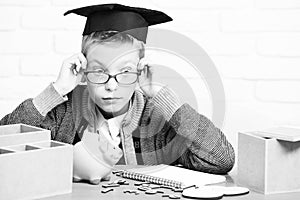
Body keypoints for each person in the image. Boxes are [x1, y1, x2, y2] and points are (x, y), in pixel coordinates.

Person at [0, 3, 235, 184]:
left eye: (125, 72)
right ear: (82, 69)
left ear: (141, 70)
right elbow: (4, 145)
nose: (111, 86)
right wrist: (56, 90)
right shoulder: (62, 113)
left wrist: (164, 97)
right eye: (99, 71)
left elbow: (221, 159)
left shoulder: (158, 120)